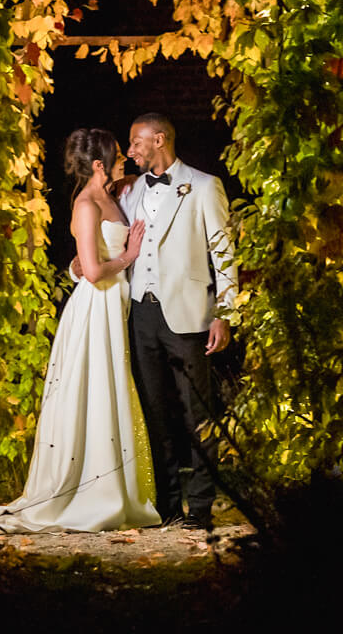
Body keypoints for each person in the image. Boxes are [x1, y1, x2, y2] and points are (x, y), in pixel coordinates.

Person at [0, 128, 160, 533]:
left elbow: (83, 262)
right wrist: (129, 256)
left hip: (115, 302)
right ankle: (93, 490)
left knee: (115, 386)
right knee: (98, 387)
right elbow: (95, 269)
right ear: (99, 164)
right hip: (96, 306)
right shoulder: (85, 204)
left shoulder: (114, 194)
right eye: (118, 154)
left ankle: (121, 484)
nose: (124, 159)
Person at [120, 112, 238, 532]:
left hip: (188, 314)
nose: (130, 150)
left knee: (197, 413)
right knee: (155, 411)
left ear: (160, 139)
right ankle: (167, 504)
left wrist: (226, 312)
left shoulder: (204, 186)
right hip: (142, 313)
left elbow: (223, 253)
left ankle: (201, 506)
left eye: (136, 142)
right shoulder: (131, 191)